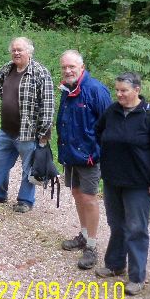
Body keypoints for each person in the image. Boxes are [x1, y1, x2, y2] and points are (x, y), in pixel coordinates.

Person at [94, 72, 150, 296]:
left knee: (136, 229)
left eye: (124, 90)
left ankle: (137, 276)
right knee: (116, 224)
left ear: (137, 90)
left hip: (140, 184)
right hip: (113, 180)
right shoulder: (112, 111)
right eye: (117, 90)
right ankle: (115, 264)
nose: (119, 94)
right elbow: (99, 132)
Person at [0, 37, 54, 213]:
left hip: (28, 132)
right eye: (14, 50)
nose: (16, 53)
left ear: (29, 51)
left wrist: (43, 133)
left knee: (28, 168)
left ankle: (25, 201)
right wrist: (7, 99)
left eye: (20, 50)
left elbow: (48, 105)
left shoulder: (40, 72)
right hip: (6, 130)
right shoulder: (7, 69)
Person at [56, 50, 111, 270]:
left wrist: (100, 154)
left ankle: (92, 245)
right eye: (64, 67)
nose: (68, 70)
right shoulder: (67, 89)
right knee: (77, 194)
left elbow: (109, 125)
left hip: (90, 157)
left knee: (89, 198)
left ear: (82, 67)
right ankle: (84, 235)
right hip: (71, 154)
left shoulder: (96, 90)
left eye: (72, 66)